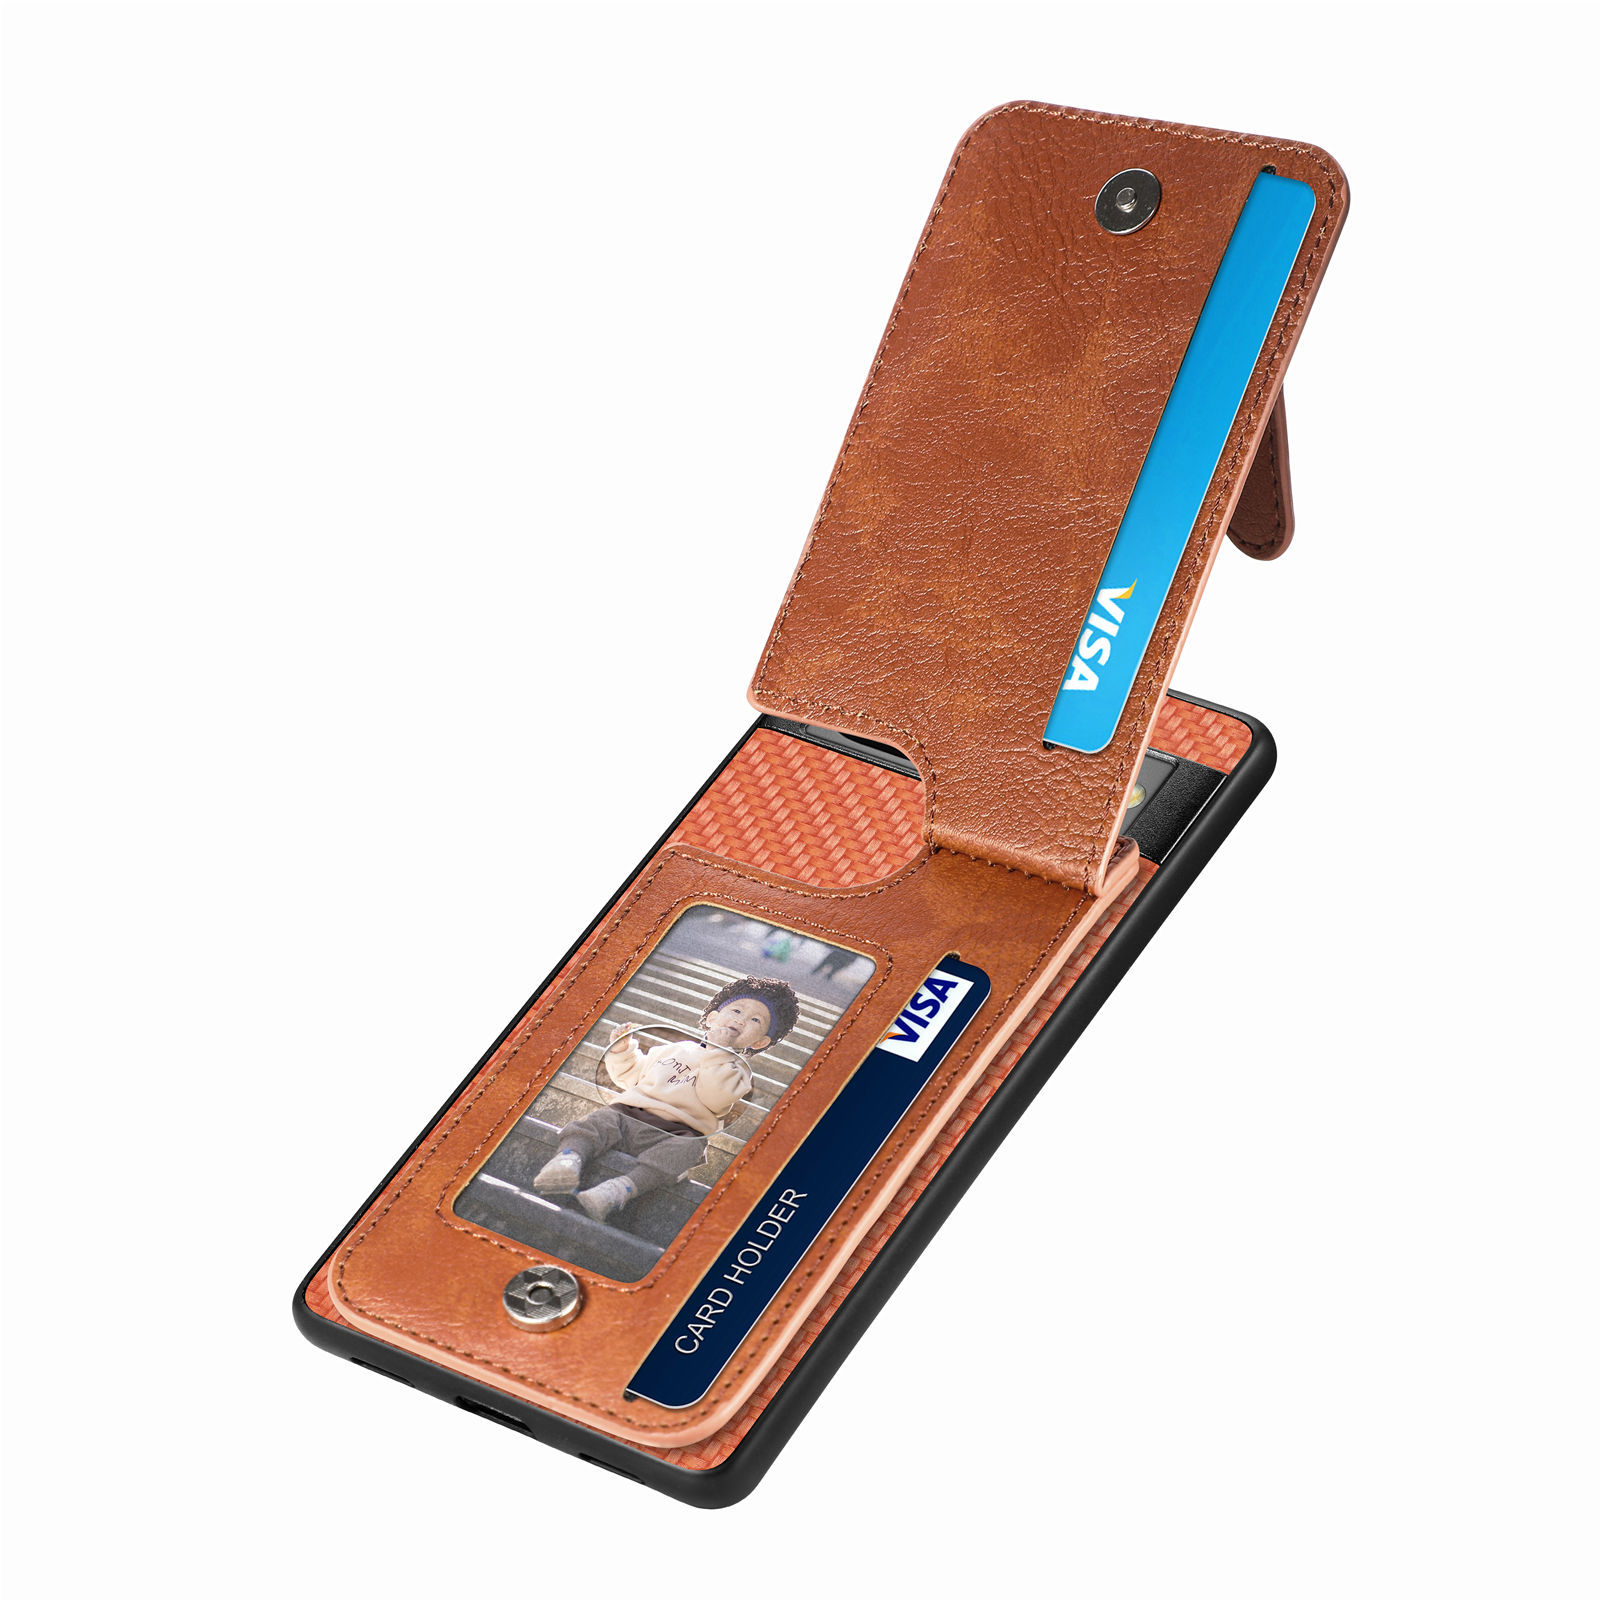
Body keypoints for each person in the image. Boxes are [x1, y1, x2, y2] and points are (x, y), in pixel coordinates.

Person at [531, 975, 800, 1223]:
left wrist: (718, 1051)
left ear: (760, 1043)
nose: (741, 1020)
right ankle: (568, 1160)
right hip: (631, 1114)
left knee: (687, 1149)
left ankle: (619, 1189)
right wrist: (622, 1051)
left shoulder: (738, 1072)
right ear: (712, 1019)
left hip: (678, 1133)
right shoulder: (677, 1048)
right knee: (600, 1120)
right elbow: (632, 1076)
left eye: (755, 1020)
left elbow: (715, 1098)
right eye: (737, 1011)